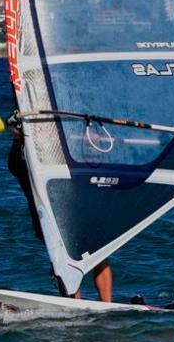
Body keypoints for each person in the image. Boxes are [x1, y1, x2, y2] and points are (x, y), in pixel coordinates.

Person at [7, 114, 113, 302]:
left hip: (79, 212)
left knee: (98, 257)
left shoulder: (59, 150)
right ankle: (74, 303)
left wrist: (94, 136)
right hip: (48, 217)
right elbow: (15, 166)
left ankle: (107, 304)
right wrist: (18, 137)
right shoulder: (22, 160)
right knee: (61, 264)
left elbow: (90, 151)